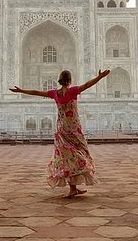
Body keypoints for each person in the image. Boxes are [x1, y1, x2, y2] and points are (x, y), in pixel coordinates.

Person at [10, 69, 110, 198]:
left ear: (60, 80)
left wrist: (21, 91)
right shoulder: (73, 91)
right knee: (80, 153)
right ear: (70, 80)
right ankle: (74, 184)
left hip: (62, 129)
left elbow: (36, 92)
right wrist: (100, 77)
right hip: (74, 129)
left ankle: (73, 188)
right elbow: (87, 85)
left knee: (66, 157)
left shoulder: (55, 93)